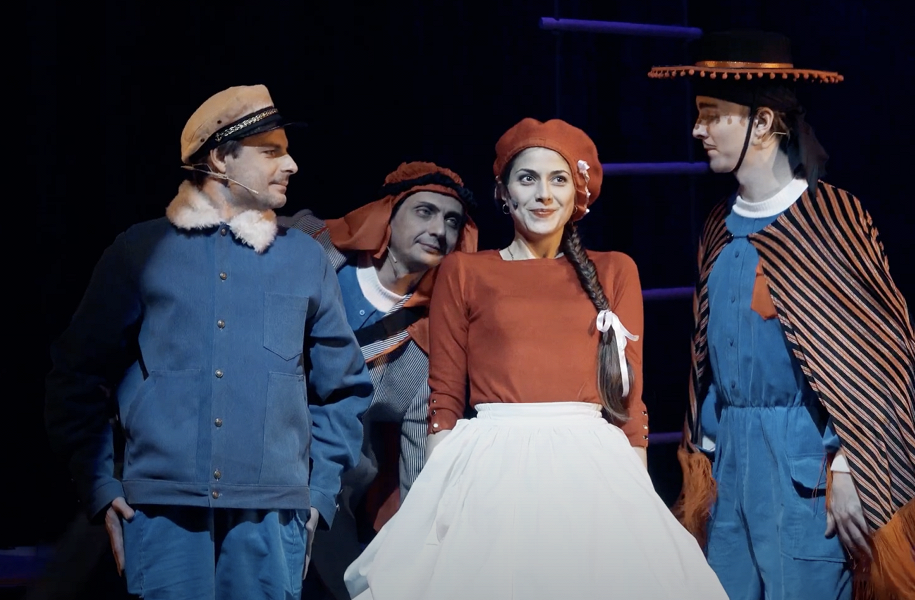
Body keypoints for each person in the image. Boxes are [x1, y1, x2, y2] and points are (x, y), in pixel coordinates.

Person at [648, 30, 915, 600]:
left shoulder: (832, 219)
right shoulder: (717, 225)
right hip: (731, 469)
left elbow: (878, 357)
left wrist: (849, 464)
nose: (698, 130)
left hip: (802, 471)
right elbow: (707, 360)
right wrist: (707, 452)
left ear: (763, 123)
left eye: (712, 116)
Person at [342, 117, 729, 600]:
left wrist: (640, 498)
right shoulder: (465, 271)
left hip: (592, 468)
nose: (544, 194)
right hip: (490, 466)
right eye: (528, 179)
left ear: (576, 193)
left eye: (558, 179)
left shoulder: (615, 270)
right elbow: (444, 398)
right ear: (504, 193)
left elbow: (629, 401)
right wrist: (435, 500)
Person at [44, 84, 375, 600]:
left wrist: (318, 494)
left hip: (271, 514)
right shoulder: (140, 251)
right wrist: (101, 487)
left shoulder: (304, 259)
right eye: (271, 151)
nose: (291, 165)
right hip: (163, 511)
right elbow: (75, 373)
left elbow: (346, 388)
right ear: (221, 157)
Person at [282, 161, 478, 600]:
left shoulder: (426, 347)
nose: (439, 229)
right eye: (425, 212)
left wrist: (421, 555)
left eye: (452, 221)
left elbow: (418, 468)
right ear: (389, 215)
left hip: (329, 491)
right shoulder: (313, 248)